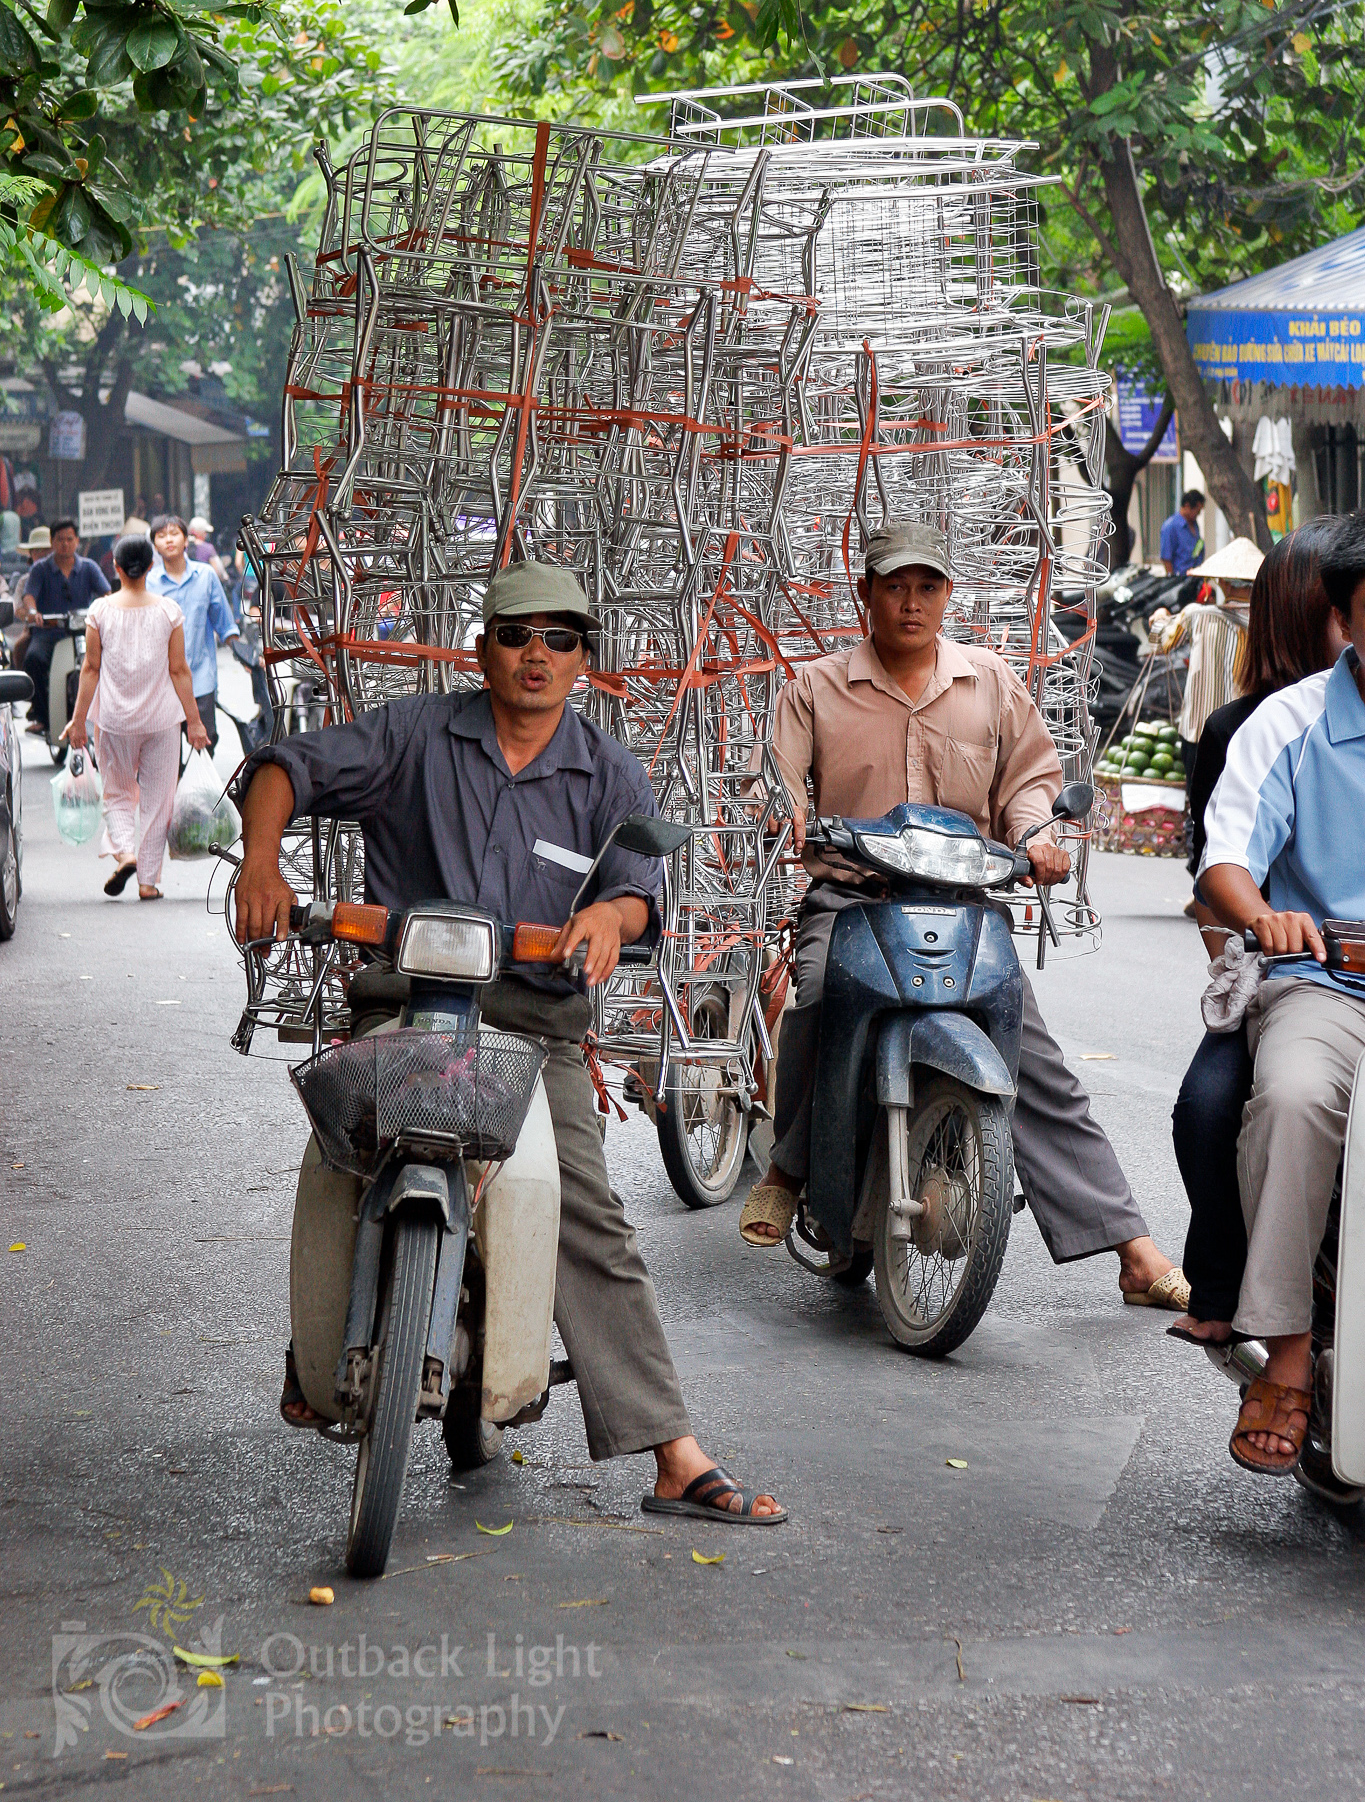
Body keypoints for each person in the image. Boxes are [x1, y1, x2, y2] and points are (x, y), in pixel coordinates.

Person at [230, 562, 786, 1526]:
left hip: (534, 1028)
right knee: (337, 1155)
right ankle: (318, 1345)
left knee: (583, 1210)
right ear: (480, 647)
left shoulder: (606, 772)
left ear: (584, 662)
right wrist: (264, 859)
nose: (538, 654)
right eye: (518, 634)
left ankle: (671, 1452)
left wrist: (613, 914)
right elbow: (286, 767)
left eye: (561, 639)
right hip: (405, 1004)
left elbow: (637, 885)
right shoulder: (412, 736)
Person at [737, 521, 1188, 1311]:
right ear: (865, 594)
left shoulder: (989, 682)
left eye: (927, 587)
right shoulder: (814, 688)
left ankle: (1134, 1251)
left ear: (947, 596)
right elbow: (774, 784)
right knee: (813, 997)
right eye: (894, 586)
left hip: (962, 903)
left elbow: (1028, 783)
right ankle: (787, 1165)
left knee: (1035, 1058)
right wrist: (788, 816)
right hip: (851, 901)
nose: (910, 603)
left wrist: (1038, 834)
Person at [1197, 510, 1365, 1475]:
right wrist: (1263, 913)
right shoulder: (1288, 722)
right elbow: (1225, 854)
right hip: (1324, 981)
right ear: (1344, 619)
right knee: (1293, 1098)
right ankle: (1289, 1353)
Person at [1169, 522, 1345, 1346]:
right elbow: (1219, 871)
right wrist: (1251, 952)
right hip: (1287, 970)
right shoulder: (1255, 728)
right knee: (1213, 1107)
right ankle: (1231, 1298)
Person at [64, 533, 210, 899]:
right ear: (151, 566)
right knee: (159, 799)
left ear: (114, 567)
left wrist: (78, 719)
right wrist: (194, 722)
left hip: (114, 721)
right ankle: (147, 882)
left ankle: (125, 851)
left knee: (117, 793)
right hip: (162, 721)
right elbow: (179, 671)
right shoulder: (168, 611)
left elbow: (90, 669)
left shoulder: (100, 611)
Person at [1150, 535, 1260, 781]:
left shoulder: (1198, 615)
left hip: (1199, 732)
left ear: (1223, 583)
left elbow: (1160, 641)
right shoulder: (1269, 622)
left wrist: (1159, 616)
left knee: (1200, 810)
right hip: (1247, 734)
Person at [148, 513, 238, 755]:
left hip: (200, 676)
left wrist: (244, 654)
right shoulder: (149, 583)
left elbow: (224, 623)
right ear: (154, 544)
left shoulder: (206, 576)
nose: (169, 540)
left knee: (206, 741)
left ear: (186, 540)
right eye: (161, 535)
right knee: (167, 752)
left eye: (174, 534)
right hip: (162, 681)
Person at [17, 519, 109, 736]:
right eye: (60, 539)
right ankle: (40, 714)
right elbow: (29, 596)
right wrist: (33, 612)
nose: (65, 544)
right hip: (49, 633)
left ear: (77, 540)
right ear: (53, 541)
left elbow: (107, 595)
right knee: (33, 658)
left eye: (70, 539)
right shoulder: (40, 569)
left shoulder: (89, 568)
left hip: (85, 633)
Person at [1160, 490, 1206, 576]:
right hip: (1180, 578)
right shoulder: (1171, 526)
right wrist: (1172, 579)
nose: (1198, 514)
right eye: (1197, 511)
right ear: (1187, 506)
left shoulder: (1194, 524)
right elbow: (1166, 557)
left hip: (1194, 577)